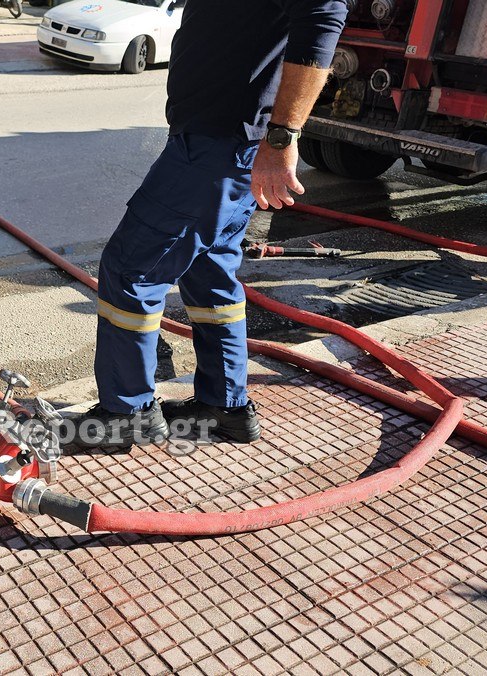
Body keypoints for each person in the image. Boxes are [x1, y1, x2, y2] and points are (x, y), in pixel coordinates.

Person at [69, 0, 349, 450]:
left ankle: (127, 413)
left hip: (221, 144)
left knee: (131, 269)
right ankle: (224, 406)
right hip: (218, 140)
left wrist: (281, 139)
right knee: (210, 273)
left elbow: (322, 18)